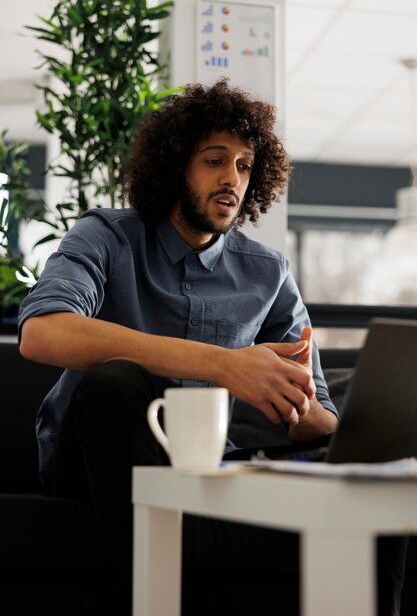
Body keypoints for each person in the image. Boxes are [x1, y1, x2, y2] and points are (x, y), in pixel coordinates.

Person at [18, 78, 406, 615]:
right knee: (116, 380)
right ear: (174, 165)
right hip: (93, 466)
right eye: (214, 160)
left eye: (245, 165)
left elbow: (325, 420)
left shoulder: (268, 273)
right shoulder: (106, 237)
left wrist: (292, 405)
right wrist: (225, 365)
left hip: (212, 476)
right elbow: (41, 332)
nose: (232, 179)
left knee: (377, 487)